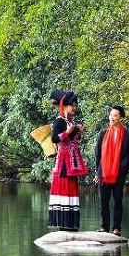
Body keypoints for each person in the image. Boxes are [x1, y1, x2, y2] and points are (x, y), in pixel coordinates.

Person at [48, 90, 88, 231]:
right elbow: (54, 139)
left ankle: (71, 224)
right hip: (63, 162)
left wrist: (78, 131)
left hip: (72, 161)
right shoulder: (59, 121)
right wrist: (69, 132)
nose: (75, 108)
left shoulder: (71, 122)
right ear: (64, 106)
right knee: (65, 188)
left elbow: (74, 141)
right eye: (73, 105)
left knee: (71, 188)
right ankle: (64, 224)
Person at [94, 106, 129, 236]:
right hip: (104, 173)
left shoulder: (128, 134)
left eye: (115, 115)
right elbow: (97, 154)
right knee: (103, 202)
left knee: (118, 201)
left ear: (121, 118)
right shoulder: (103, 133)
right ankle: (104, 227)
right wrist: (97, 172)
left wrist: (122, 168)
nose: (111, 117)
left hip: (119, 173)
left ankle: (117, 228)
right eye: (111, 115)